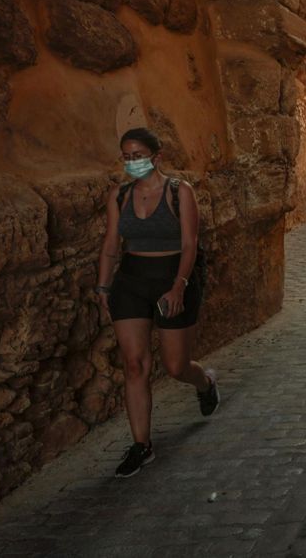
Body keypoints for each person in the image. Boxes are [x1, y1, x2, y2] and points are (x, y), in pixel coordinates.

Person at [95, 128, 219, 478]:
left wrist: (179, 287)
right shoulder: (119, 195)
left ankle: (205, 383)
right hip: (132, 280)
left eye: (138, 155)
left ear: (156, 157)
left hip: (172, 277)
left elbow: (190, 244)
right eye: (126, 156)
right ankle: (141, 445)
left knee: (176, 366)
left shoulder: (180, 192)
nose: (132, 162)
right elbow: (110, 244)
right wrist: (103, 287)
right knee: (134, 365)